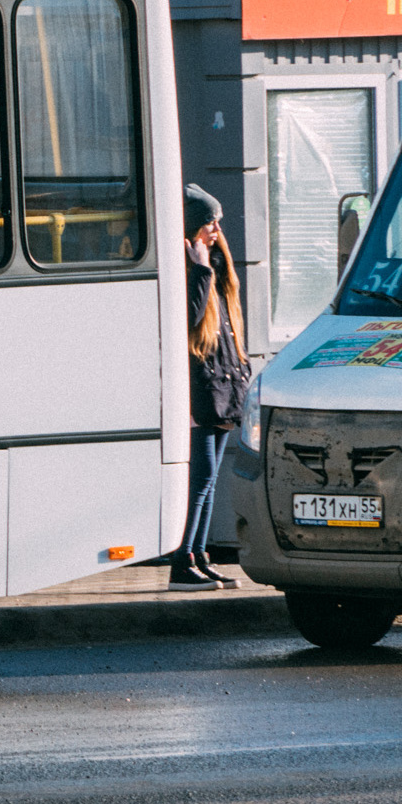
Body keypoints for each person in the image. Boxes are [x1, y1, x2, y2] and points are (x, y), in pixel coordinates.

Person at [177, 184, 251, 590]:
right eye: (208, 221)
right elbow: (187, 321)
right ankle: (182, 560)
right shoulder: (191, 269)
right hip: (200, 393)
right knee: (200, 479)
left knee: (210, 479)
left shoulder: (219, 273)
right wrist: (202, 268)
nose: (215, 227)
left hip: (222, 391)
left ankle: (200, 554)